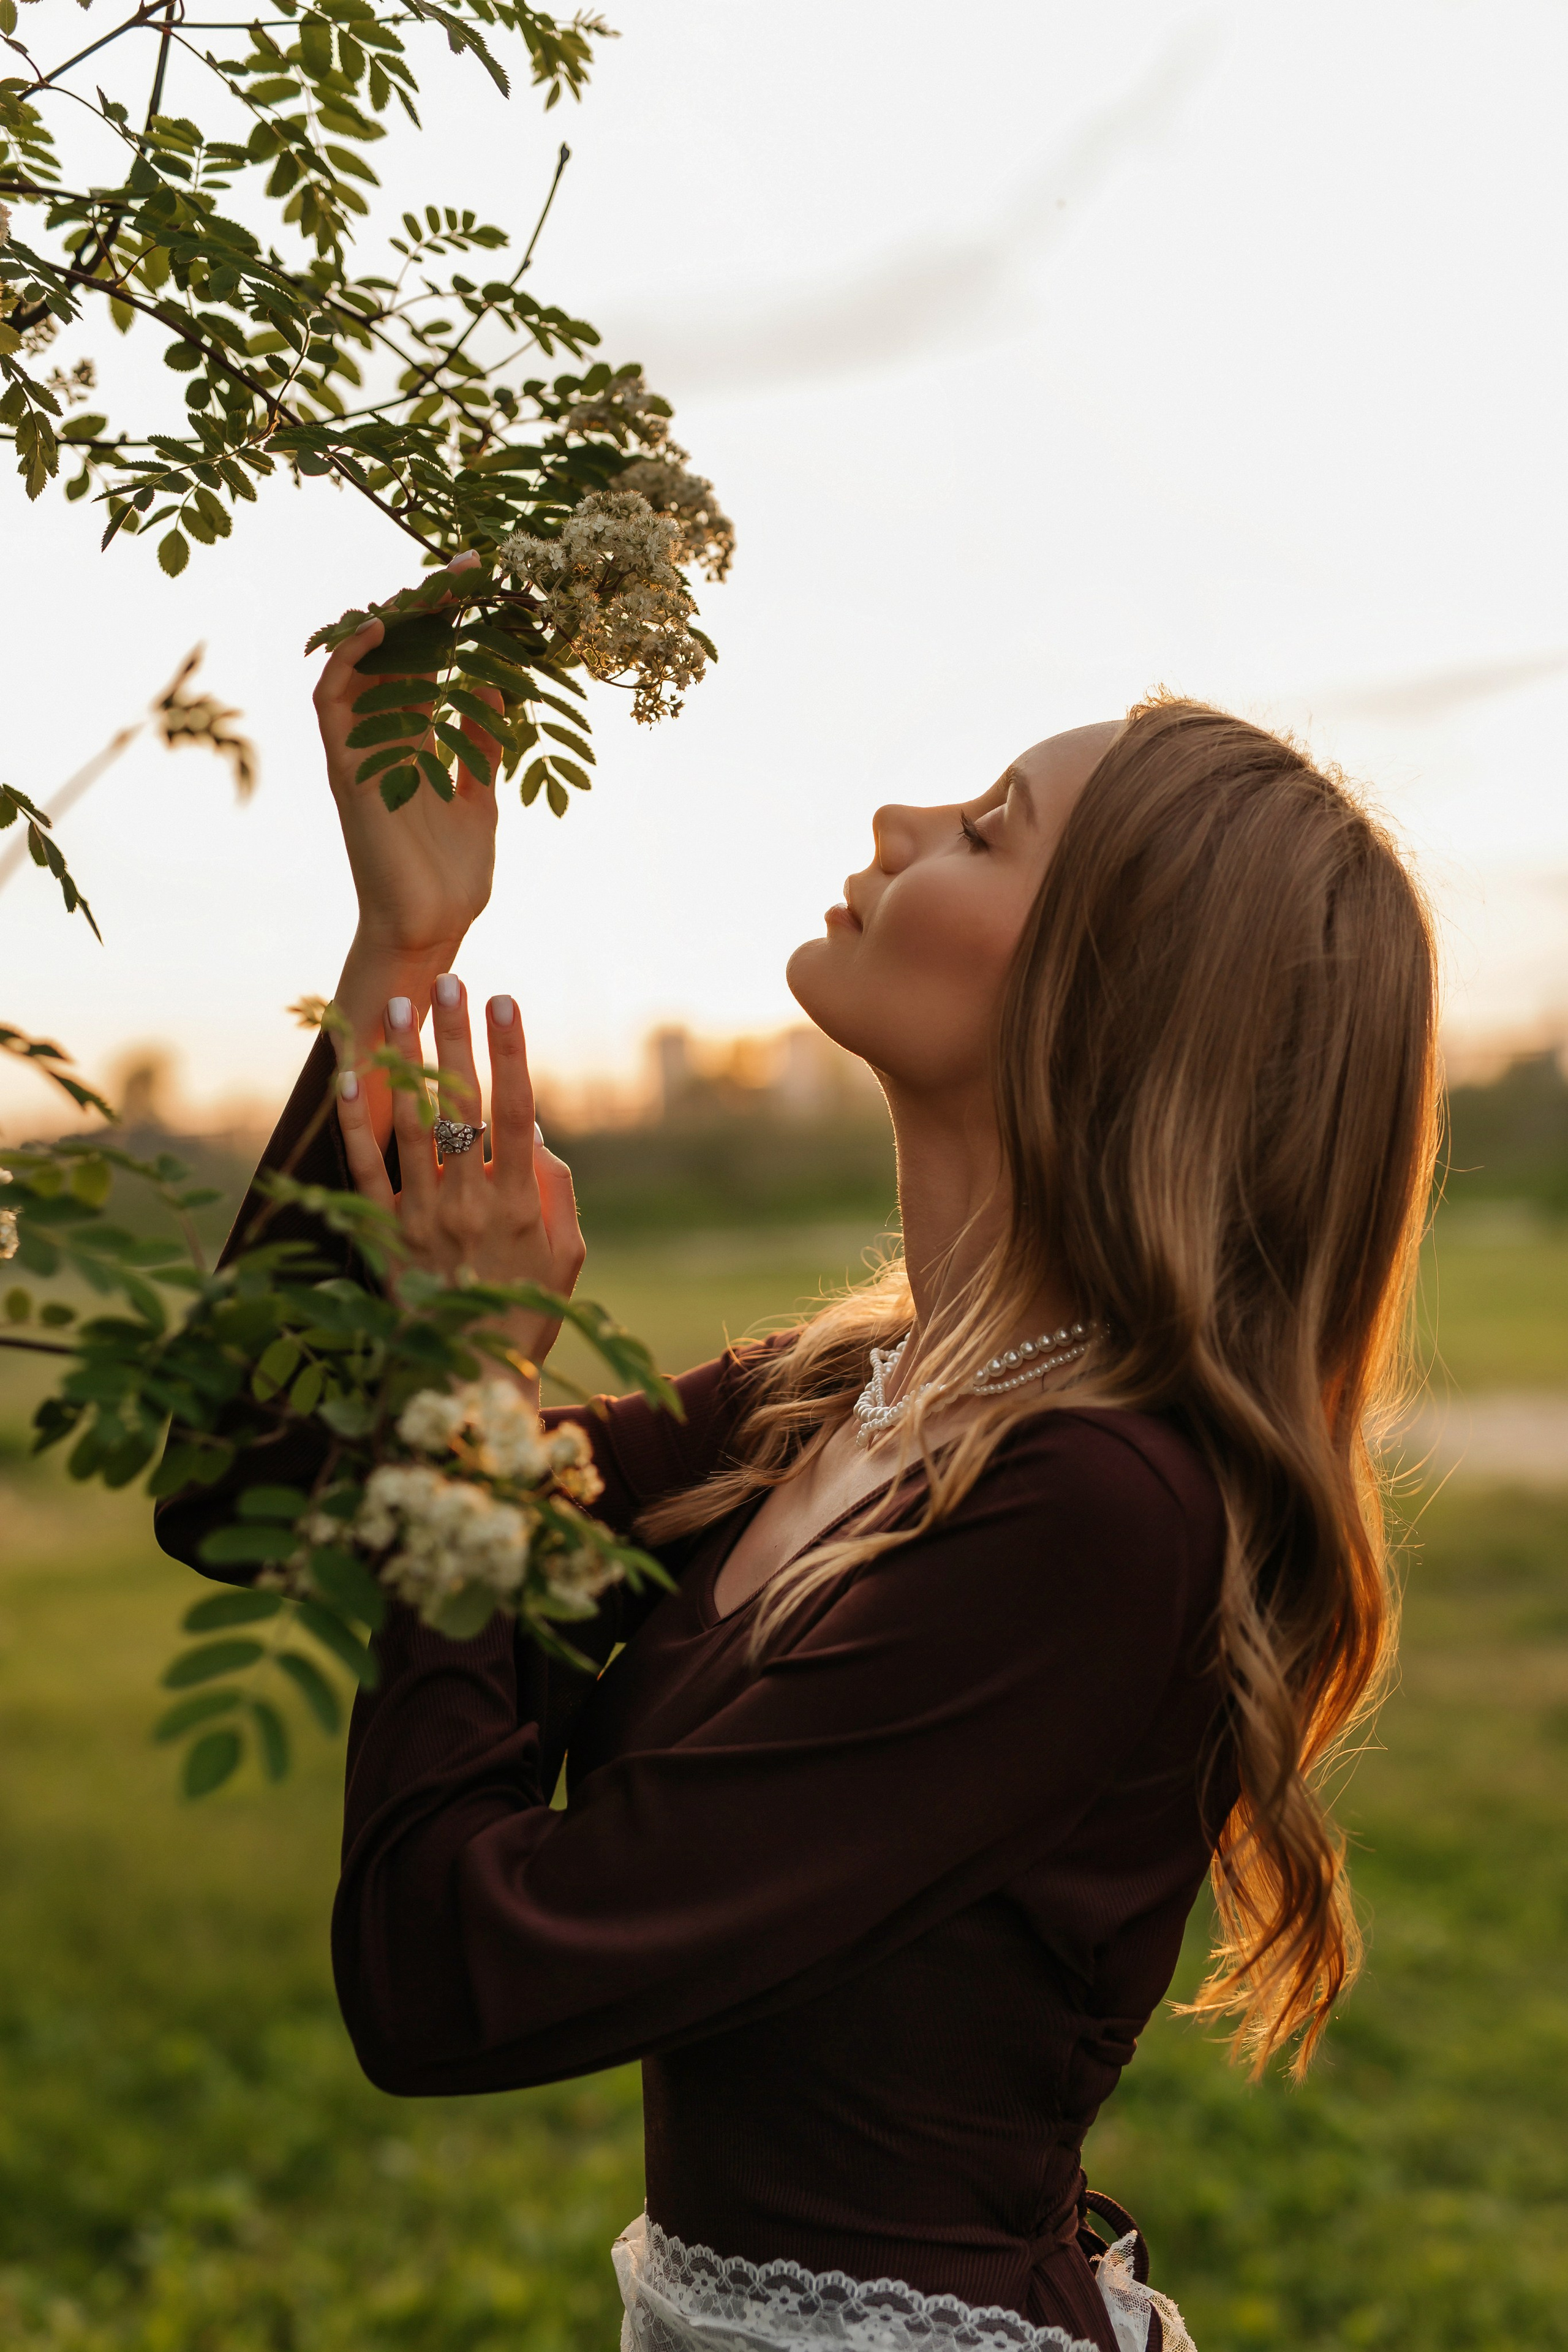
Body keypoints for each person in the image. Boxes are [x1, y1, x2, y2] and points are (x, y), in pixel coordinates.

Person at [157, 611, 1440, 2352]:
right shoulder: (838, 1397)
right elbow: (259, 1490)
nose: (905, 824)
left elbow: (450, 1978)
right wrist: (406, 941)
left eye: (989, 828)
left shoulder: (1098, 1519)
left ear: (1110, 1000)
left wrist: (470, 1383)